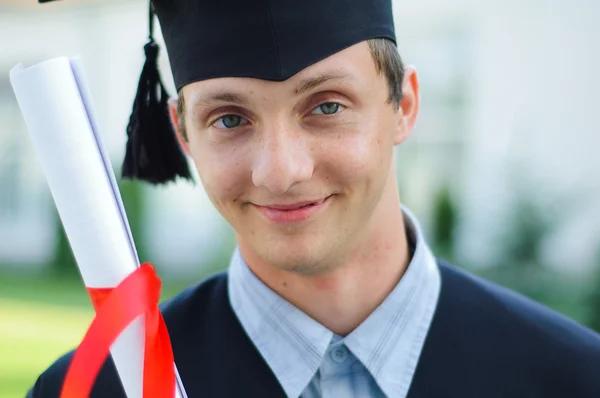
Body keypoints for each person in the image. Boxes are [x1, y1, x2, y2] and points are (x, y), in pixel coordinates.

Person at [28, 0, 600, 397]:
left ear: (402, 104)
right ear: (183, 133)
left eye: (326, 106)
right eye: (230, 118)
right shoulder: (95, 389)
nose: (281, 171)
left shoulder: (572, 379)